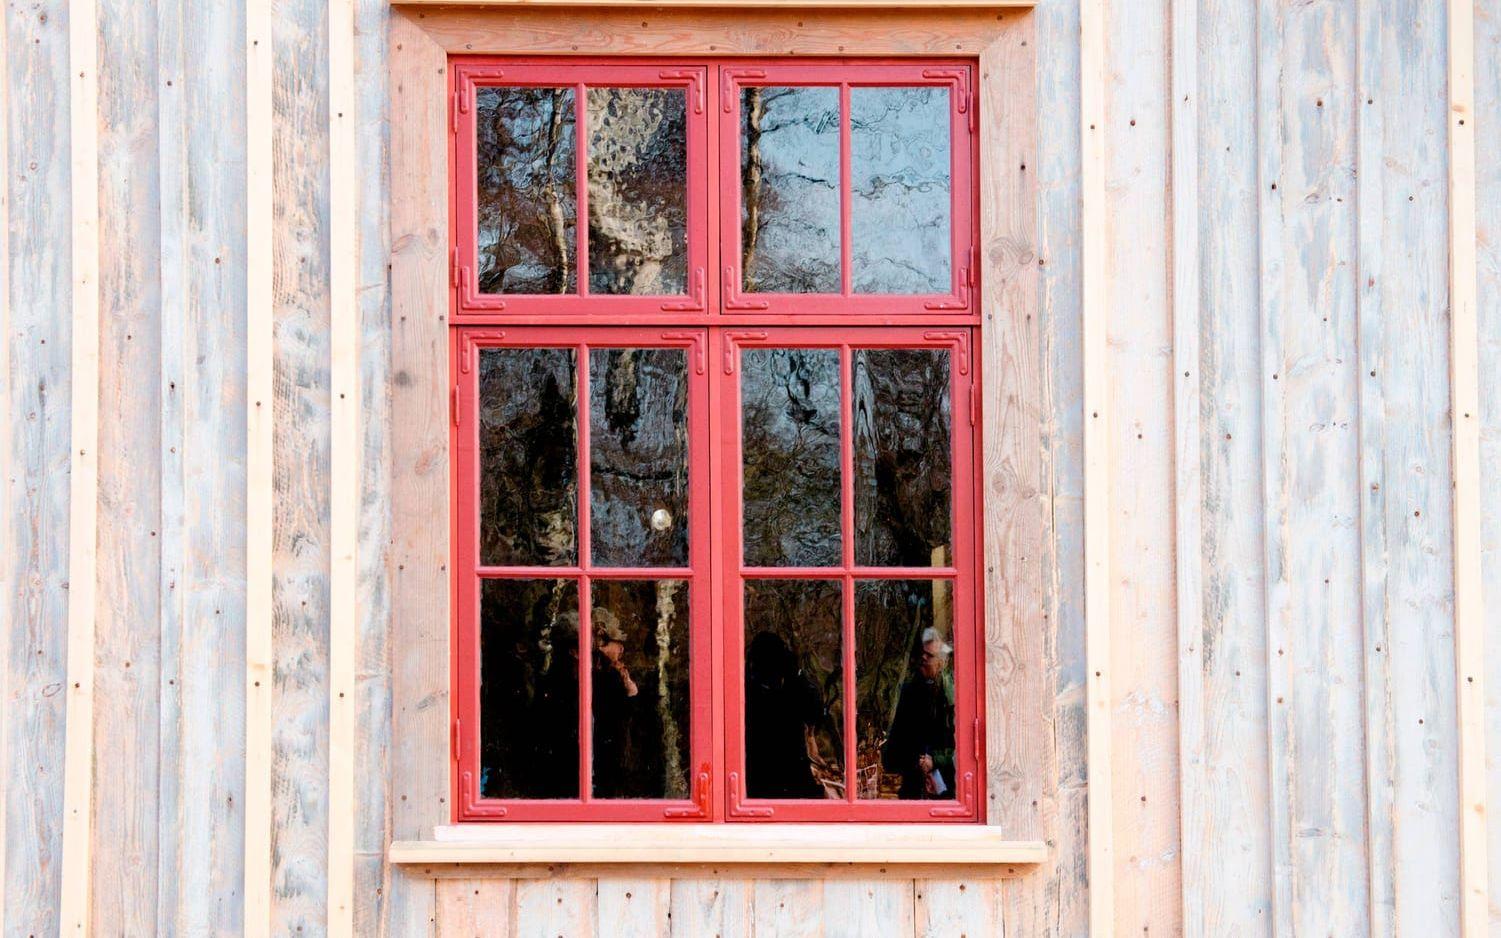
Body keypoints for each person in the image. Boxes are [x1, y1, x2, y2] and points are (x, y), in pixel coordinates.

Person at [745, 631, 828, 799]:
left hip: (757, 791)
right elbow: (814, 711)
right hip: (779, 789)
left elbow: (814, 713)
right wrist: (796, 674)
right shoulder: (782, 698)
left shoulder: (749, 694)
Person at [881, 627, 956, 800]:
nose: (923, 658)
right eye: (923, 653)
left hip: (946, 787)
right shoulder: (912, 690)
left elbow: (960, 749)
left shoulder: (951, 695)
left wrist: (935, 761)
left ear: (941, 662)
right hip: (914, 781)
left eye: (929, 656)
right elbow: (899, 740)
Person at [589, 607, 640, 798]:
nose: (621, 649)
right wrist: (631, 693)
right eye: (618, 643)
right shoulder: (606, 674)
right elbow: (619, 715)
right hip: (608, 754)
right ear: (602, 642)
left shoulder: (604, 670)